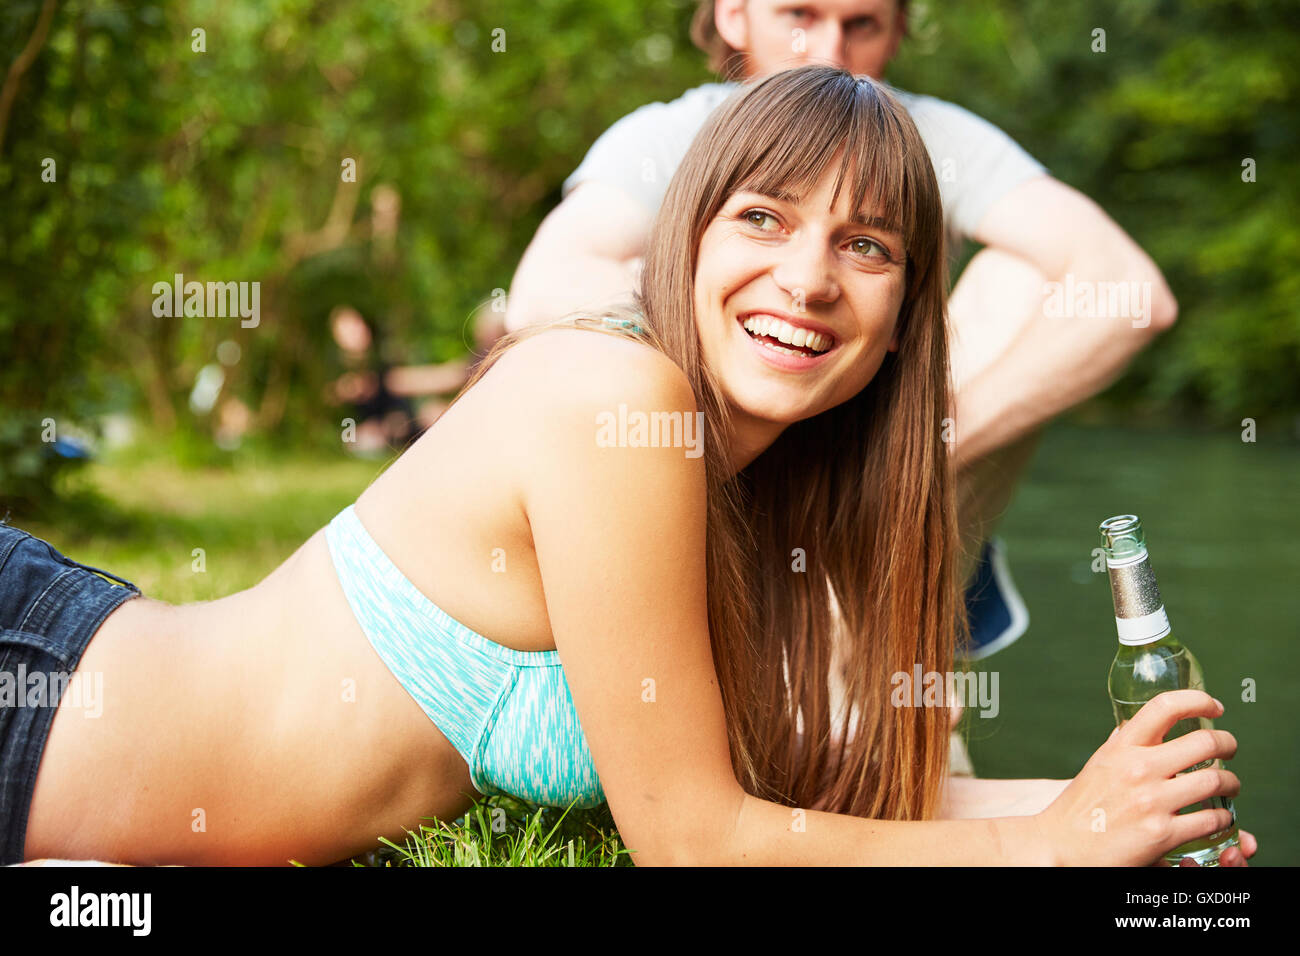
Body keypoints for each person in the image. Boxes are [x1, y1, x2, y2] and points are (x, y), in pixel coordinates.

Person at [3, 68, 1247, 867]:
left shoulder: (751, 490)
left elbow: (806, 796)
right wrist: (1053, 848)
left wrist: (1108, 802)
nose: (807, 277)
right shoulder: (618, 397)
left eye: (863, 243)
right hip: (43, 707)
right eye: (762, 216)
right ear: (687, 234)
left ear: (907, 311)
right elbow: (695, 842)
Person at [499, 0, 1180, 696]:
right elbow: (541, 296)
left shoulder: (937, 135)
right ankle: (765, 641)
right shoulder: (671, 133)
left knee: (1034, 275)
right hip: (715, 479)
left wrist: (929, 440)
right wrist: (729, 361)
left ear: (898, 31)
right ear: (733, 16)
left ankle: (868, 645)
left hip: (881, 487)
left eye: (863, 25)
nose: (829, 49)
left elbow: (1133, 294)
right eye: (801, 14)